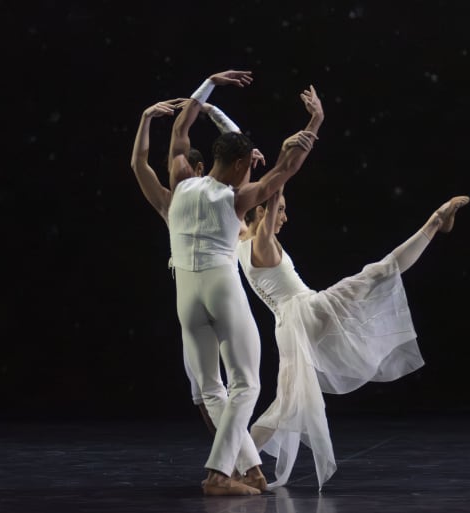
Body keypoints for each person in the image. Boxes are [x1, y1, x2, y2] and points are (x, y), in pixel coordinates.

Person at [237, 185, 470, 490]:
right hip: (307, 313)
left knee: (286, 405)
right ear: (262, 212)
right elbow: (273, 187)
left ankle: (236, 464)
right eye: (279, 209)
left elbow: (237, 204)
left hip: (289, 327)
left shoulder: (240, 237)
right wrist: (281, 172)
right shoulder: (262, 242)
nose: (285, 217)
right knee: (378, 273)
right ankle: (434, 222)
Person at [168, 74, 324, 495]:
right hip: (220, 287)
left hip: (185, 294)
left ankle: (249, 468)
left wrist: (207, 85)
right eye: (247, 166)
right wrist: (314, 123)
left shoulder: (180, 181)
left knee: (212, 389)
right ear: (240, 165)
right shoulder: (236, 199)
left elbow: (180, 130)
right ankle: (218, 475)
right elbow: (286, 170)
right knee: (247, 384)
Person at [129, 89, 266, 437]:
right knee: (206, 388)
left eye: (182, 167)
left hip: (216, 285)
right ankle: (231, 453)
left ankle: (234, 453)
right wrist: (204, 109)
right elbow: (140, 164)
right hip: (206, 288)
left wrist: (206, 107)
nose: (176, 171)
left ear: (203, 168)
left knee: (230, 383)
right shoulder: (173, 201)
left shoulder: (221, 195)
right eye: (173, 168)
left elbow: (237, 149)